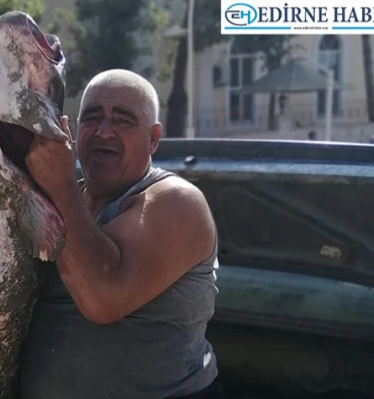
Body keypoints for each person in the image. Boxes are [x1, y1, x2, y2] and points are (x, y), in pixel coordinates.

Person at [19, 69, 226, 399]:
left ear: (153, 138)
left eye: (123, 119)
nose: (104, 131)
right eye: (92, 117)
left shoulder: (176, 201)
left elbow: (102, 298)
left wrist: (59, 184)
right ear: (74, 129)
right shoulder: (62, 202)